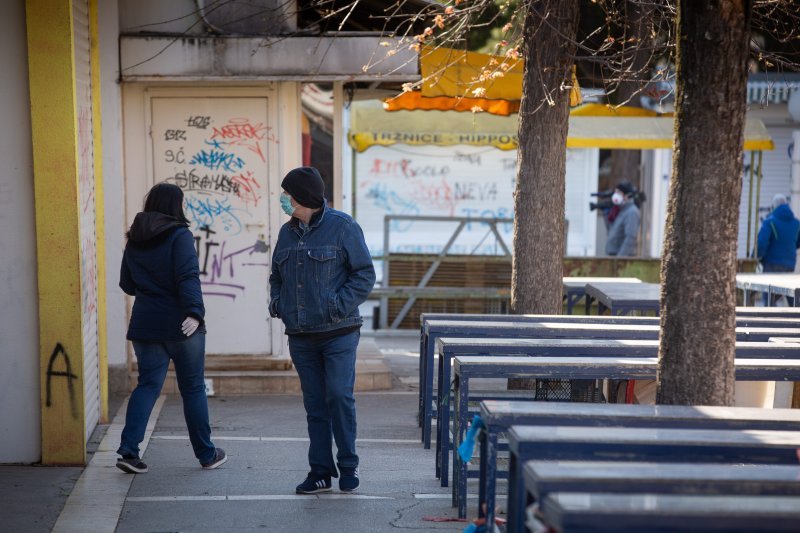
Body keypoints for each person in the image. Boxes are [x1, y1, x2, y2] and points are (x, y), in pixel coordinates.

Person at [269, 167, 376, 494]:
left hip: (339, 331)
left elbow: (364, 275)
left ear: (301, 197)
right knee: (315, 404)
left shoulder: (342, 227)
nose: (283, 199)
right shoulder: (287, 233)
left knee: (339, 396)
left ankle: (347, 464)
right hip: (301, 336)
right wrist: (278, 304)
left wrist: (336, 306)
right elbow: (276, 275)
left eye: (287, 194)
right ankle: (319, 471)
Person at [117, 183, 226, 473]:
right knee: (192, 388)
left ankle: (128, 452)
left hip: (146, 324)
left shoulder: (134, 239)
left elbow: (127, 284)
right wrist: (195, 312)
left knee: (148, 385)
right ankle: (206, 454)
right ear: (176, 206)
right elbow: (188, 276)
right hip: (182, 324)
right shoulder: (180, 236)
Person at [757, 193, 800, 304]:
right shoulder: (797, 224)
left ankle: (769, 320)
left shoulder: (770, 222)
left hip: (771, 264)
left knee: (769, 297)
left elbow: (761, 243)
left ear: (773, 206)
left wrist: (756, 256)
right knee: (790, 293)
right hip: (790, 264)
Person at [605, 180, 641, 256]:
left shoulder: (632, 212)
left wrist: (620, 259)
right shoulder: (620, 210)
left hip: (621, 259)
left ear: (627, 196)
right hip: (613, 256)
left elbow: (630, 238)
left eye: (619, 192)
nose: (615, 195)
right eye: (615, 192)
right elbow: (612, 232)